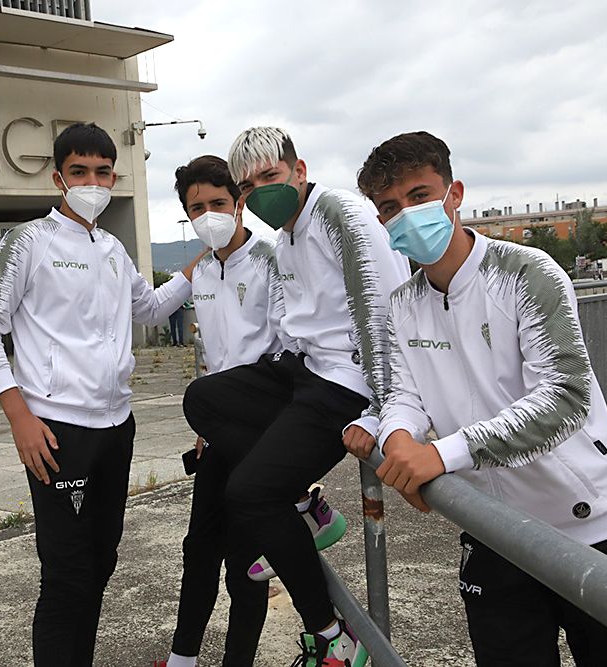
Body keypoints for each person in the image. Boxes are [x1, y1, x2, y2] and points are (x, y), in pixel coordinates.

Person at [354, 131, 607, 667]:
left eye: (420, 196)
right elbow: (404, 392)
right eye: (390, 207)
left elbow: (564, 398)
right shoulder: (402, 303)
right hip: (493, 530)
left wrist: (440, 456)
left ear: (454, 193)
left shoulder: (527, 273)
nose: (406, 214)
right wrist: (398, 439)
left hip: (594, 528)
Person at [0, 122, 202, 667]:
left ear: (114, 177)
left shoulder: (114, 249)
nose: (92, 182)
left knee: (99, 563)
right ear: (58, 178)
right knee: (67, 575)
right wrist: (18, 414)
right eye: (79, 172)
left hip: (117, 428)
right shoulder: (28, 241)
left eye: (101, 172)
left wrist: (197, 267)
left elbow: (147, 309)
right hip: (55, 430)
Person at [181, 127, 410, 666]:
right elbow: (288, 323)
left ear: (298, 170)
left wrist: (380, 411)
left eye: (271, 176)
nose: (260, 192)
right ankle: (304, 502)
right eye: (249, 186)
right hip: (304, 369)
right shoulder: (285, 237)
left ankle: (332, 636)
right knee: (204, 399)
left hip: (346, 382)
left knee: (248, 497)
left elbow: (382, 311)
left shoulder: (340, 215)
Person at [159, 155, 292, 667]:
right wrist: (208, 422)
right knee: (198, 551)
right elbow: (213, 356)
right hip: (219, 434)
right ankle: (182, 658)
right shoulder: (202, 273)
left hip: (263, 431)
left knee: (245, 563)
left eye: (218, 202)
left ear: (240, 201)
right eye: (197, 208)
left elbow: (286, 348)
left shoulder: (272, 258)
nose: (209, 214)